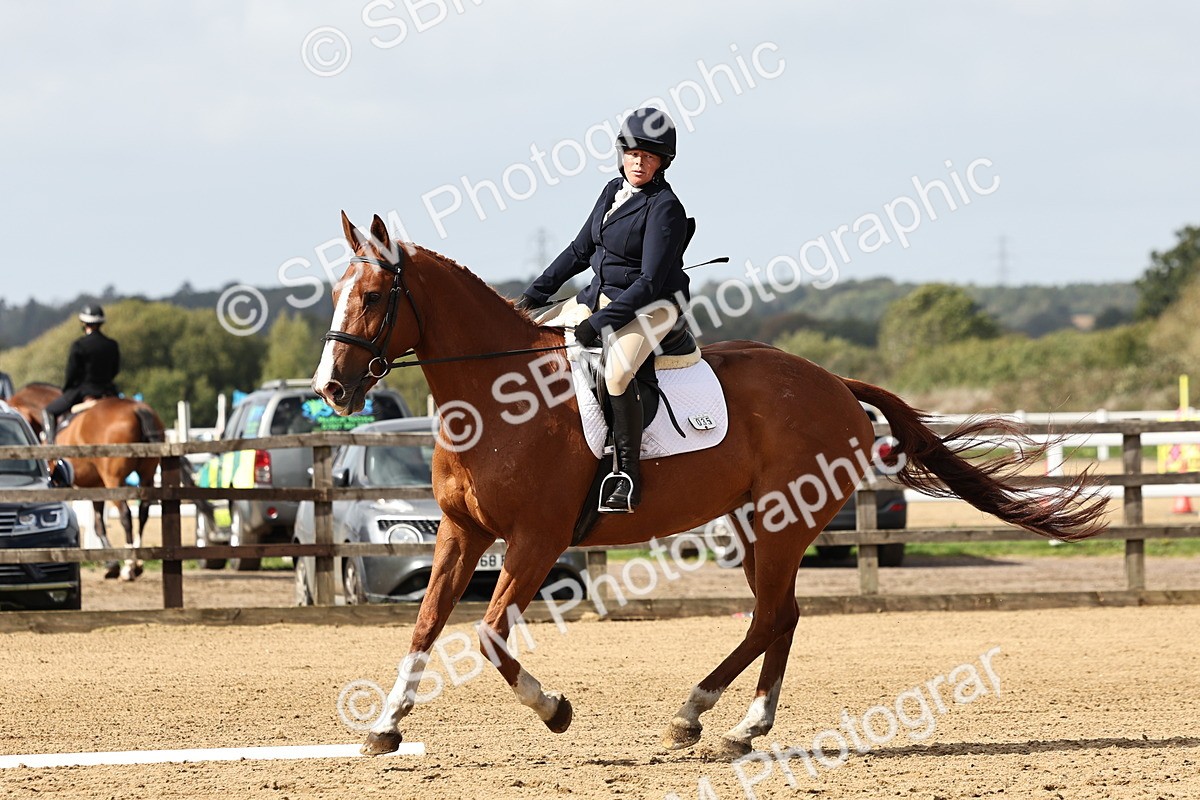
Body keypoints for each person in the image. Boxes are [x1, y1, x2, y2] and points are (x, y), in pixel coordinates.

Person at [515, 107, 690, 513]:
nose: (639, 161)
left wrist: (599, 323)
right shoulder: (612, 190)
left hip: (654, 305)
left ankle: (626, 474)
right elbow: (580, 250)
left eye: (649, 155)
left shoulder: (665, 207)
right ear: (621, 154)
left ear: (663, 161)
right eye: (632, 153)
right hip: (600, 295)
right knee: (523, 335)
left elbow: (648, 282)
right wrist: (532, 297)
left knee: (616, 371)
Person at [42, 304, 121, 443]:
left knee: (48, 411)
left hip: (83, 392)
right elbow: (115, 370)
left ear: (83, 323)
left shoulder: (79, 345)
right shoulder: (112, 344)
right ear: (101, 323)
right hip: (109, 392)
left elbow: (72, 374)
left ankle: (50, 447)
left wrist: (68, 390)